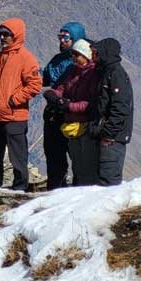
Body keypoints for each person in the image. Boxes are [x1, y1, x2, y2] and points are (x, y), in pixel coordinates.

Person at [0, 18, 43, 191]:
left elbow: (35, 85)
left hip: (14, 117)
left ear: (16, 35)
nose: (2, 37)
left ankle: (20, 188)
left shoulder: (26, 58)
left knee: (17, 156)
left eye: (6, 34)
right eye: (0, 34)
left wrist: (13, 100)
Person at [43, 39, 100, 186]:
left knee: (87, 166)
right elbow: (61, 88)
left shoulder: (94, 74)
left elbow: (91, 103)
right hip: (72, 125)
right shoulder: (72, 71)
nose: (73, 57)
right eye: (73, 54)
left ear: (86, 55)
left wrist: (69, 106)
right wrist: (53, 95)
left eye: (76, 54)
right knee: (77, 166)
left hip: (86, 126)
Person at [41, 22, 87, 190]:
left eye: (66, 37)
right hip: (53, 114)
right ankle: (54, 189)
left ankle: (78, 191)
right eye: (60, 37)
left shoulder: (82, 64)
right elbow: (45, 77)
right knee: (54, 156)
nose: (62, 40)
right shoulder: (57, 60)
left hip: (71, 114)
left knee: (76, 156)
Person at [89, 38, 133, 186]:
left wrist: (108, 133)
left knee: (108, 181)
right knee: (99, 179)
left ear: (104, 54)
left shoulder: (116, 74)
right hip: (106, 136)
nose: (92, 57)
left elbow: (120, 108)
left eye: (95, 53)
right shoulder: (106, 73)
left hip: (112, 139)